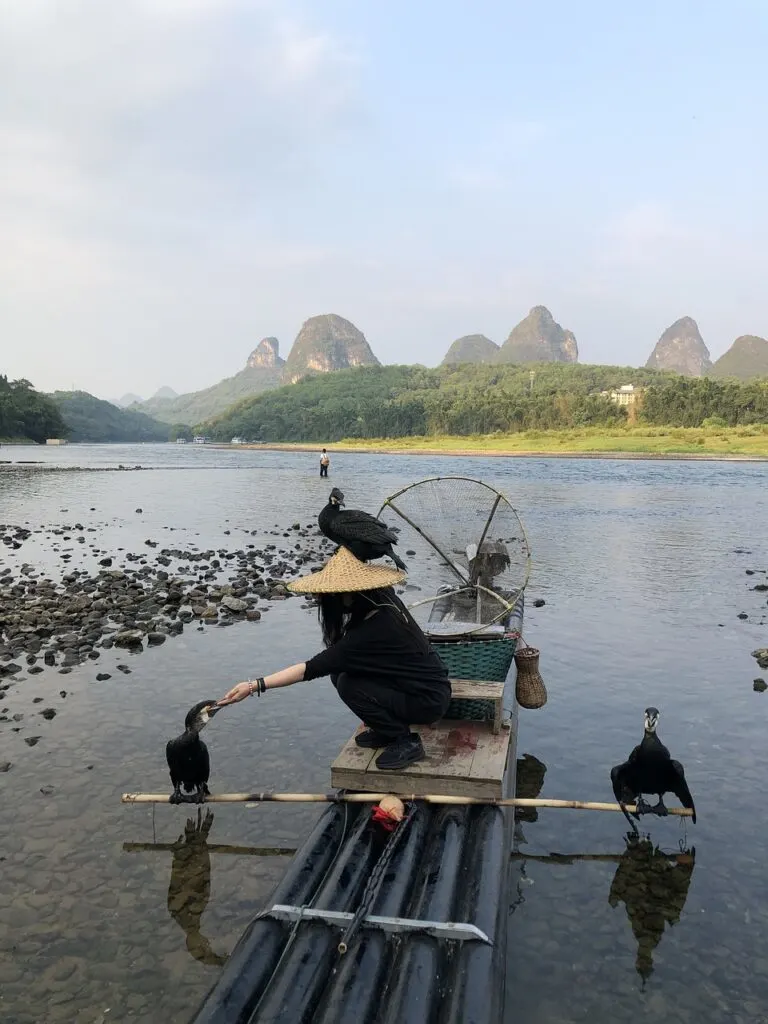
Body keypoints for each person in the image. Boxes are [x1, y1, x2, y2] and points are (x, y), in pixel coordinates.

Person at [216, 547, 451, 770]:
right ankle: (387, 729)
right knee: (339, 674)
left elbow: (309, 669)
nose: (327, 601)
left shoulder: (370, 632)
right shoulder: (381, 598)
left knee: (349, 684)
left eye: (331, 595)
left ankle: (405, 740)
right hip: (424, 686)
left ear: (348, 595)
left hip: (427, 700)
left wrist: (253, 685)